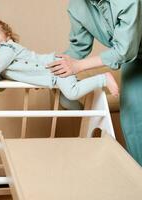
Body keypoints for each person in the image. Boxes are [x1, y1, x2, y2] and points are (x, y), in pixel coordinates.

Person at [47, 0, 142, 166]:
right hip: (135, 61)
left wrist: (78, 66)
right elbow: (78, 48)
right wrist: (46, 72)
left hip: (130, 53)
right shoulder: (77, 6)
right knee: (133, 124)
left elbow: (125, 50)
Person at [0, 9, 118, 111]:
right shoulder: (1, 61)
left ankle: (103, 79)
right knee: (68, 103)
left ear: (7, 36)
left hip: (56, 68)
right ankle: (88, 113)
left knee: (72, 92)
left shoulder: (7, 50)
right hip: (52, 78)